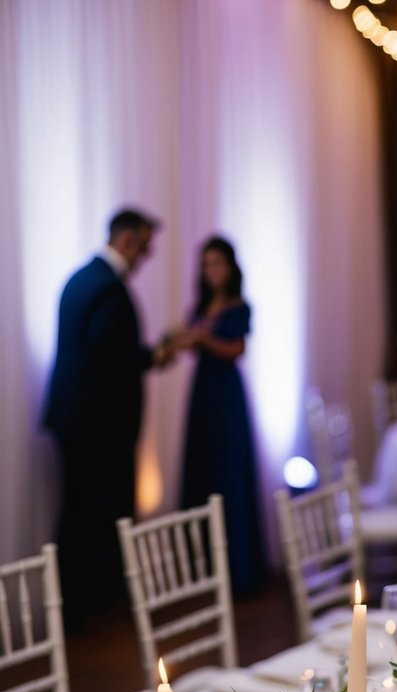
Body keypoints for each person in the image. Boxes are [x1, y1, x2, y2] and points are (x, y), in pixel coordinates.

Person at [42, 208, 171, 630]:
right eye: (146, 248)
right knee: (93, 517)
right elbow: (107, 358)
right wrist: (153, 355)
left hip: (74, 419)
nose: (145, 258)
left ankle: (73, 607)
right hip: (97, 426)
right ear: (129, 240)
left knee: (78, 512)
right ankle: (88, 609)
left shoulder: (80, 279)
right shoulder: (108, 288)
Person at [177, 236, 265, 597]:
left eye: (217, 263)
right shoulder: (201, 306)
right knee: (203, 470)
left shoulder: (238, 306)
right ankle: (200, 570)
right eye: (206, 264)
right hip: (203, 394)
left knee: (229, 473)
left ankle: (238, 569)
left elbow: (236, 350)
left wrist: (201, 339)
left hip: (226, 395)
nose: (211, 270)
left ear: (229, 267)